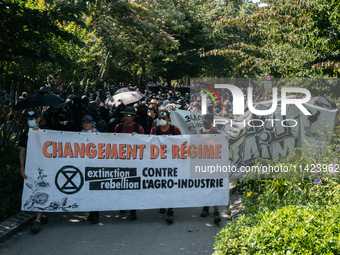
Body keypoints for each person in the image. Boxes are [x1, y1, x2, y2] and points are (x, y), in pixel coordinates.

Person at [19, 109, 48, 233]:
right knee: (36, 189)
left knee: (42, 188)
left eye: (32, 119)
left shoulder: (46, 131)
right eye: (28, 120)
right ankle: (43, 214)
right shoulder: (24, 134)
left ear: (38, 119)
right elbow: (22, 153)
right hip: (31, 167)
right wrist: (22, 168)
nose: (30, 122)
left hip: (44, 166)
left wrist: (40, 133)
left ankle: (38, 219)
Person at [150, 110, 181, 223]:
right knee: (161, 184)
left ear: (169, 119)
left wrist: (174, 139)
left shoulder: (175, 130)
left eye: (164, 117)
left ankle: (170, 210)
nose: (161, 120)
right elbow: (149, 144)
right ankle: (162, 203)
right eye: (160, 118)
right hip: (158, 163)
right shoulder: (155, 130)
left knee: (170, 186)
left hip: (171, 163)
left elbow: (181, 145)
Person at [114, 107, 144, 219]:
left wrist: (137, 138)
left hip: (134, 162)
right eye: (124, 115)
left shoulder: (139, 128)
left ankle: (133, 209)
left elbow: (143, 145)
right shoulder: (118, 127)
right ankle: (122, 205)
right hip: (121, 161)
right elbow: (113, 141)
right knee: (122, 185)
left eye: (128, 115)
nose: (126, 117)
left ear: (134, 117)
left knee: (132, 186)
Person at [197, 113, 221, 223]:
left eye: (207, 122)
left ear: (212, 123)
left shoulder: (217, 133)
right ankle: (205, 207)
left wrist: (226, 139)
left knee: (215, 186)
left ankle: (216, 210)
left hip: (214, 165)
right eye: (204, 122)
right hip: (202, 165)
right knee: (205, 186)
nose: (205, 124)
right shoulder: (198, 133)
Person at [81, 115, 100, 224]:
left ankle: (95, 213)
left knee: (94, 190)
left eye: (88, 122)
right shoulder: (78, 134)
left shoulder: (98, 134)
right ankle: (90, 213)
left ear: (92, 123)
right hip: (84, 165)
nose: (86, 124)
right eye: (84, 122)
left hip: (94, 165)